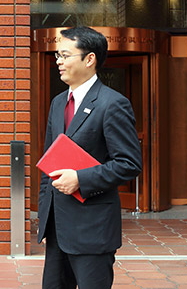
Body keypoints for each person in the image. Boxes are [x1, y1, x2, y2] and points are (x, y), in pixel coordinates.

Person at [37, 26, 142, 288]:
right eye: (57, 56)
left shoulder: (112, 103)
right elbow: (49, 160)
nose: (58, 61)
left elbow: (129, 163)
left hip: (92, 229)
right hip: (58, 228)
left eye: (64, 55)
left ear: (90, 59)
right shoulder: (59, 102)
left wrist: (80, 179)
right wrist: (45, 214)